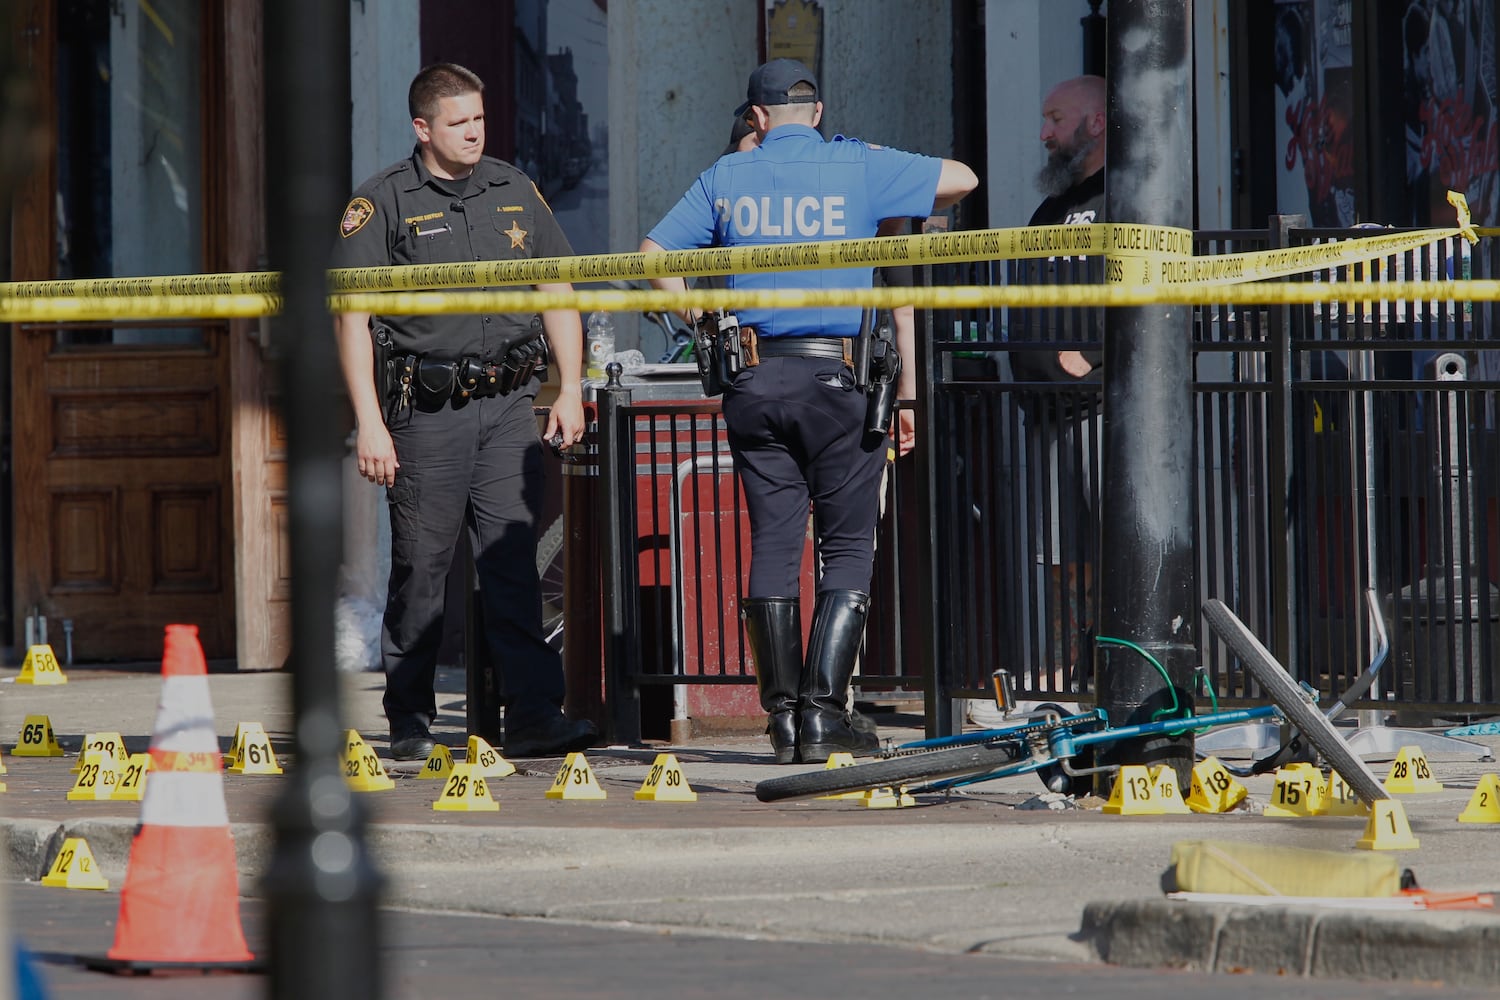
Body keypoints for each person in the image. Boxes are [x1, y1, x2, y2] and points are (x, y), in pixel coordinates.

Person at [641, 59, 977, 763]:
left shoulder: (726, 174)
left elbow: (654, 252)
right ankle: (824, 713)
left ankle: (782, 719)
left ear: (757, 118)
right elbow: (962, 178)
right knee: (847, 545)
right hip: (835, 379)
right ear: (817, 113)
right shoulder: (854, 166)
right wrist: (870, 160)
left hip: (754, 380)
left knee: (772, 542)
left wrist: (696, 309)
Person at [332, 63, 597, 761]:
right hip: (429, 409)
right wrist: (370, 421)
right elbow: (351, 318)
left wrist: (570, 386)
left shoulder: (514, 188)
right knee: (422, 570)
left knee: (512, 564)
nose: (474, 132)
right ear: (423, 128)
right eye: (458, 122)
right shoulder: (382, 202)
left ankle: (535, 715)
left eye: (479, 119)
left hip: (510, 404)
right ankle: (411, 721)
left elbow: (558, 287)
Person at [1000, 74, 1105, 723]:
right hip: (1044, 412)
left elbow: (1170, 298)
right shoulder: (1051, 209)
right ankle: (1073, 668)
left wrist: (1094, 356)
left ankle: (1109, 666)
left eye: (1055, 118)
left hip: (1100, 412)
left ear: (1094, 123)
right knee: (1064, 556)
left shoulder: (1130, 199)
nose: (1044, 133)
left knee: (1111, 545)